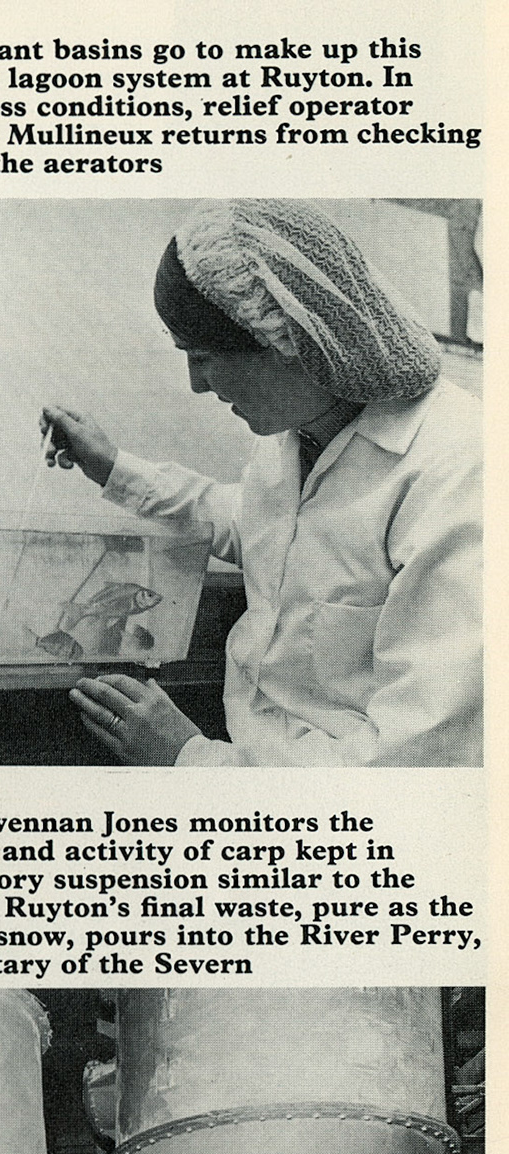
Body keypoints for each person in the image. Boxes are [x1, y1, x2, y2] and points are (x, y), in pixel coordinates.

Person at [42, 198, 481, 767]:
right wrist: (111, 466)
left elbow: (416, 759)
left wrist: (191, 760)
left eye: (203, 357)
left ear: (294, 342)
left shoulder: (458, 471)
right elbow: (251, 523)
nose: (197, 385)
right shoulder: (301, 432)